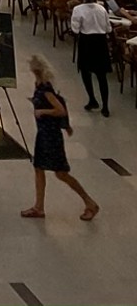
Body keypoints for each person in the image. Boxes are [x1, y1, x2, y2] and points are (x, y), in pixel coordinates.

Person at [21, 55, 98, 221]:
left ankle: (89, 202)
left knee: (61, 173)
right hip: (43, 134)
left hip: (50, 135)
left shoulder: (46, 90)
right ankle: (38, 207)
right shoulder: (40, 86)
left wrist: (43, 111)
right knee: (39, 168)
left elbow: (60, 109)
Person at [71, 0, 112, 116]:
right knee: (102, 77)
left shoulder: (78, 10)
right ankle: (105, 106)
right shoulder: (101, 9)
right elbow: (108, 29)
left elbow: (75, 29)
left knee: (85, 73)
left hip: (86, 42)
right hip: (100, 43)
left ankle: (92, 99)